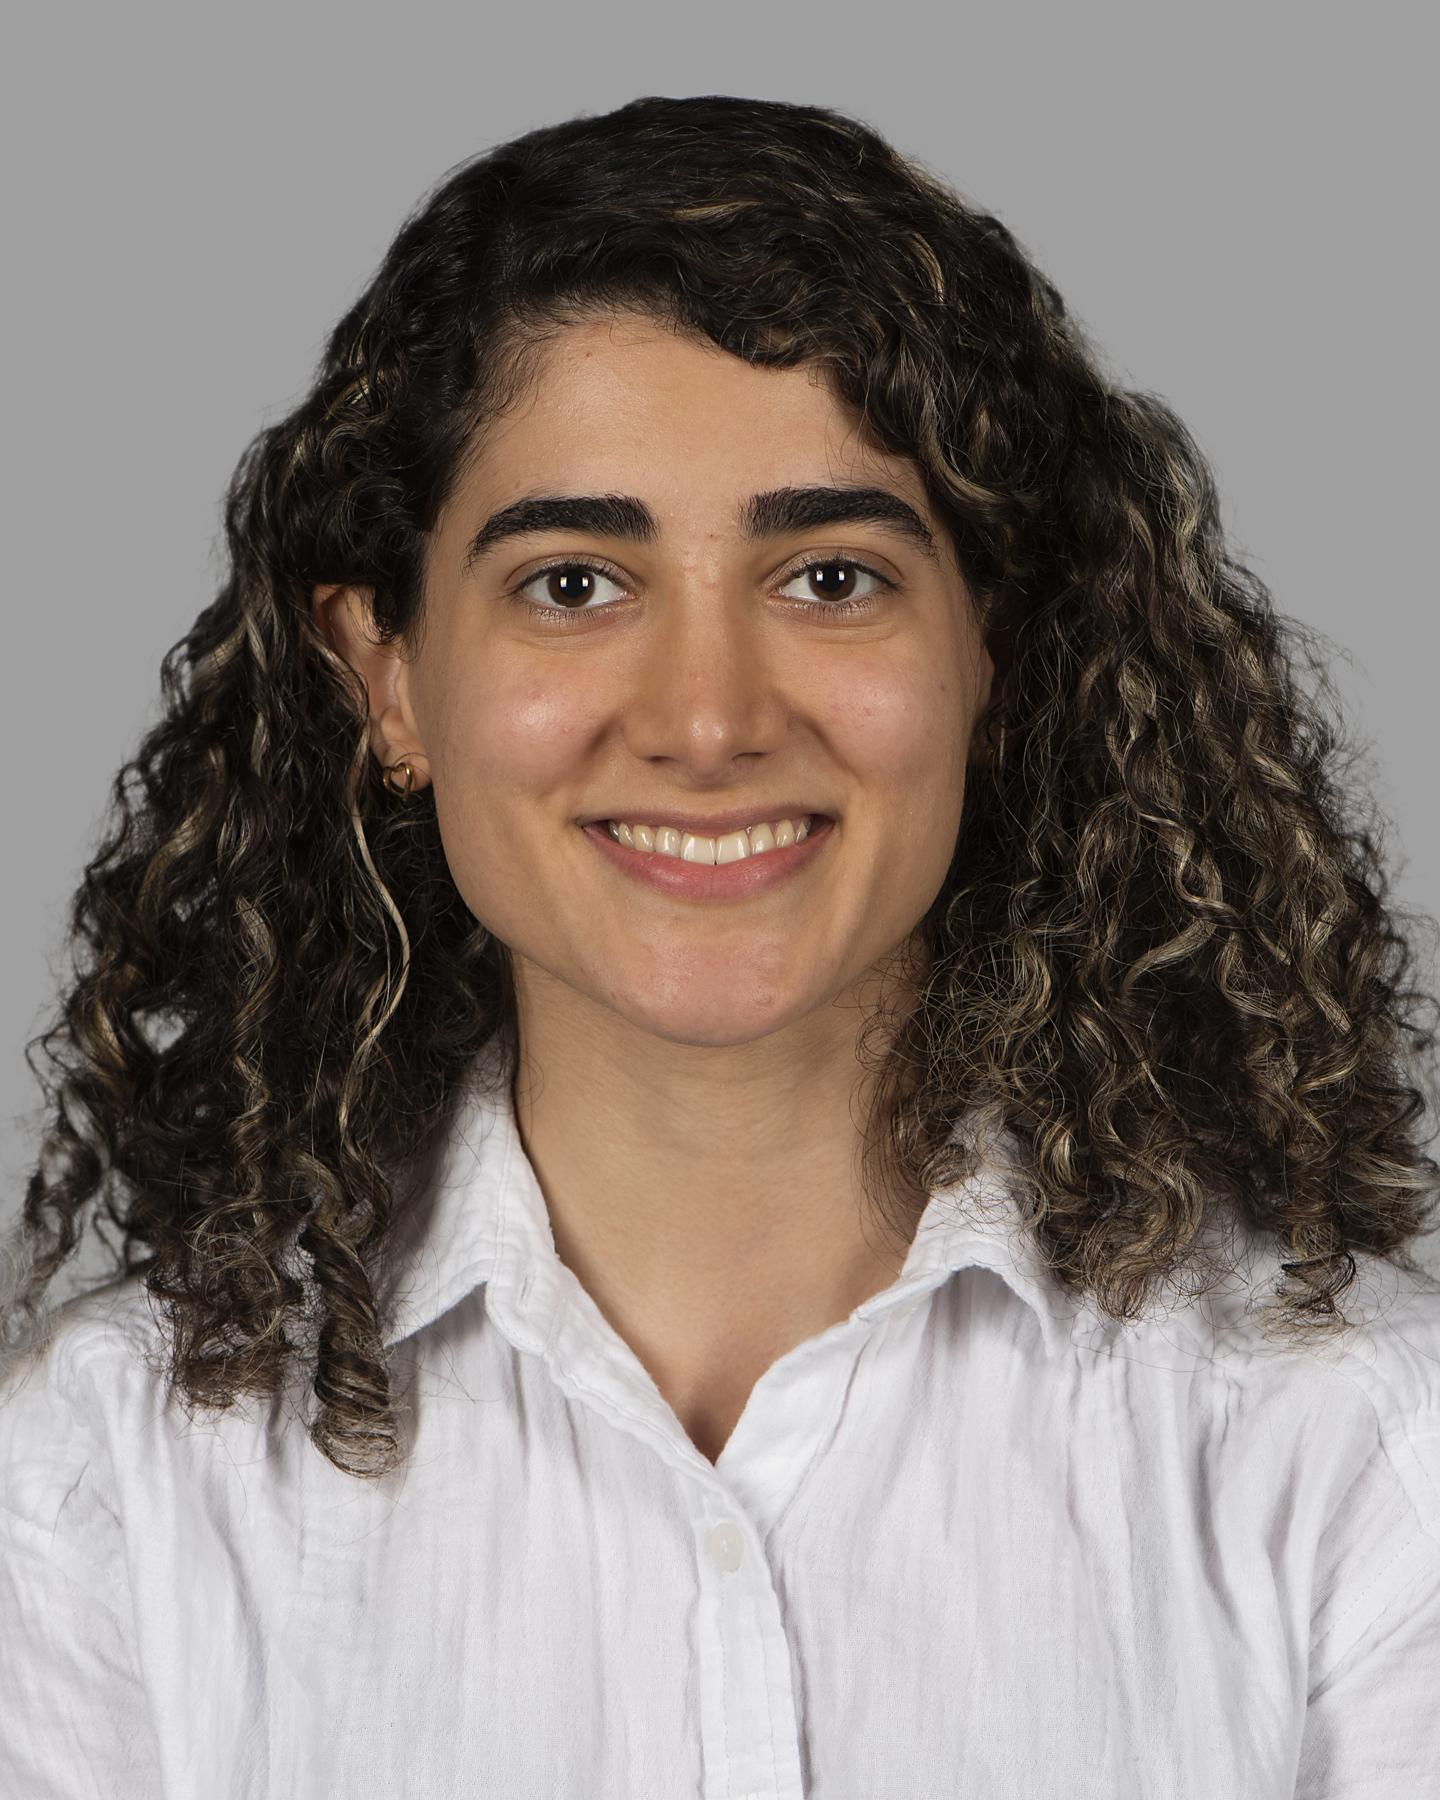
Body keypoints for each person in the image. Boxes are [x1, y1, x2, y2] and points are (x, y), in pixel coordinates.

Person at [2, 93, 1438, 1798]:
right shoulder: (98, 1486)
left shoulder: (1358, 1450)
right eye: (573, 584)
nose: (706, 718)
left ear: (994, 653)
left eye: (831, 578)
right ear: (386, 676)